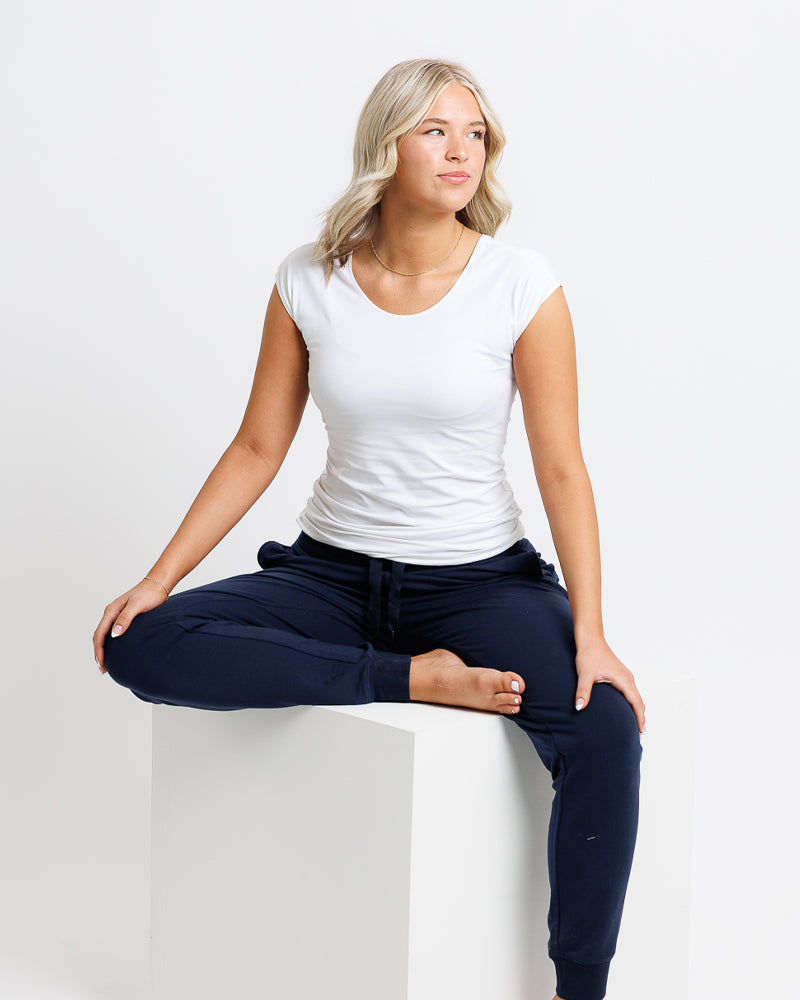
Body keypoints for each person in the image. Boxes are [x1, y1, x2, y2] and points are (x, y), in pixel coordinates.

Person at [93, 58, 645, 1000]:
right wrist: (157, 579)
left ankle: (578, 990)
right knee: (139, 643)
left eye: (476, 134)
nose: (461, 152)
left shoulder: (520, 283)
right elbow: (259, 446)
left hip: (483, 580)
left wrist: (590, 633)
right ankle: (408, 678)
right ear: (385, 145)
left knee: (606, 732)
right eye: (435, 130)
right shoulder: (308, 280)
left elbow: (562, 467)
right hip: (331, 577)